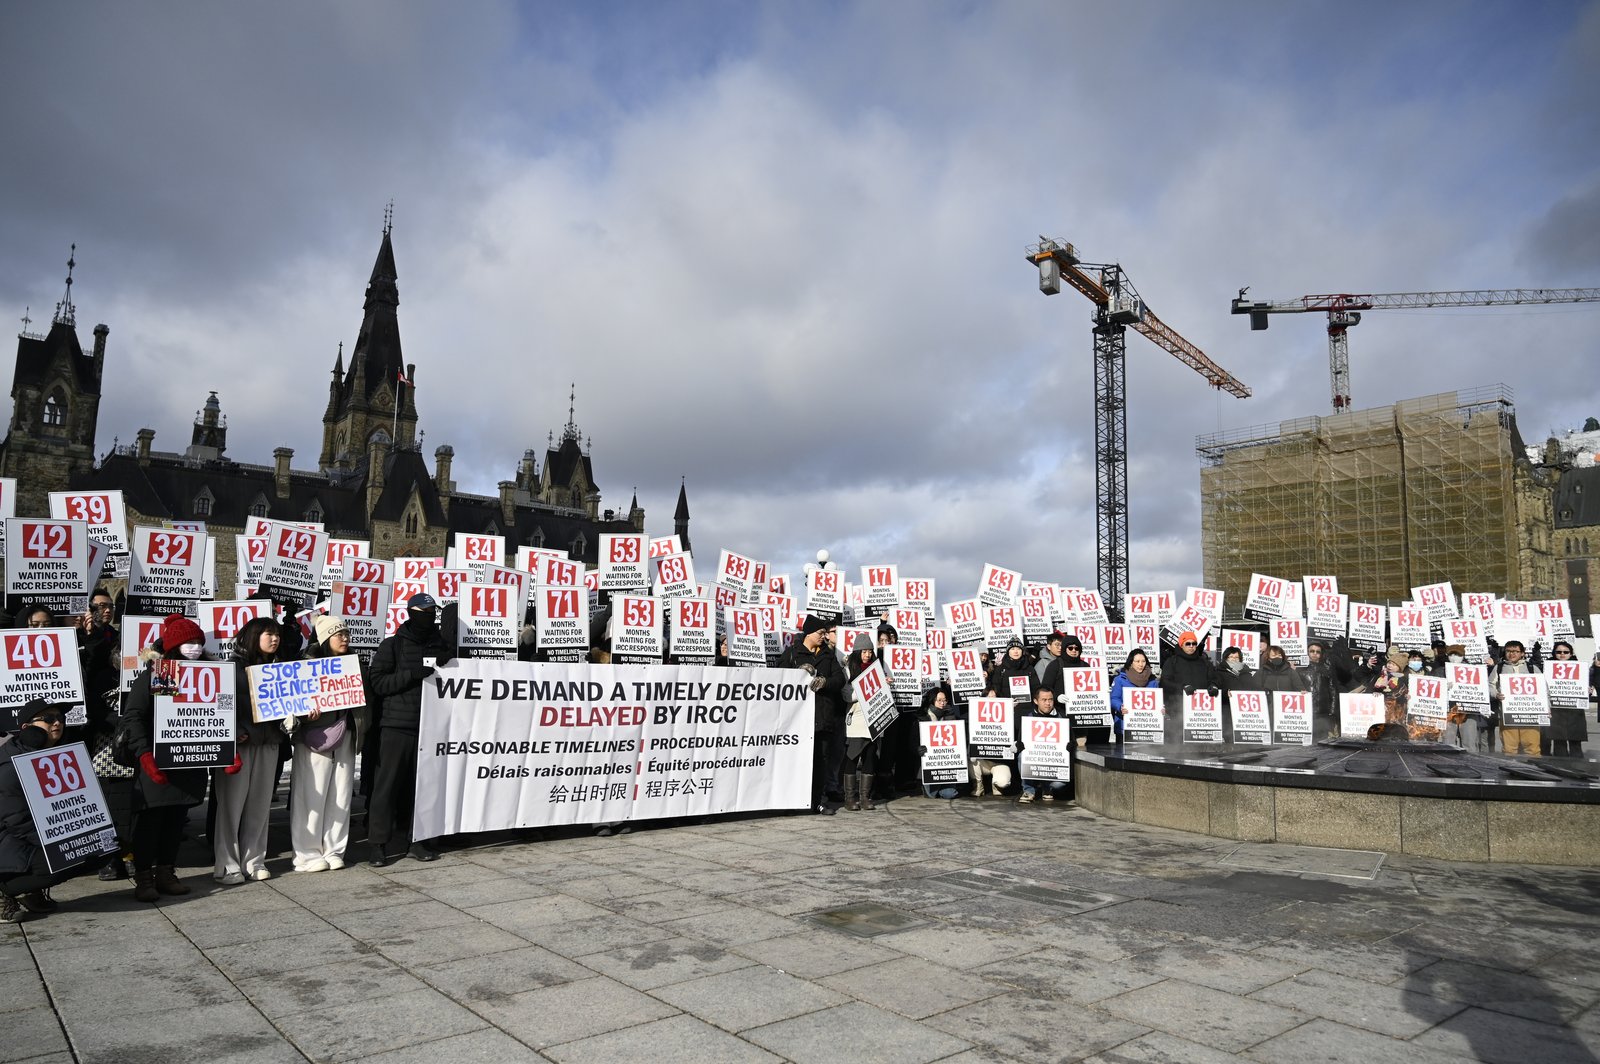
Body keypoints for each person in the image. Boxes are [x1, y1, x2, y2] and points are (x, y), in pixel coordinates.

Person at [122, 614, 211, 902]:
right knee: (151, 823)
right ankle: (144, 877)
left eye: (198, 642)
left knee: (175, 820)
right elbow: (134, 716)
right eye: (189, 642)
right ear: (174, 646)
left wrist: (227, 751)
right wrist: (145, 754)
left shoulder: (208, 674)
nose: (195, 647)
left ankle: (166, 872)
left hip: (189, 761)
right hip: (159, 761)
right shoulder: (163, 674)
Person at [367, 593, 452, 863]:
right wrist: (410, 675)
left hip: (431, 727)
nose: (429, 616)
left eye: (432, 611)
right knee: (387, 787)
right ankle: (378, 844)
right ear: (411, 613)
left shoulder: (441, 645)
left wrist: (451, 662)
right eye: (424, 611)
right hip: (397, 727)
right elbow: (378, 683)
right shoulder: (392, 645)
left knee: (424, 788)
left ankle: (418, 840)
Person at [288, 616, 370, 870]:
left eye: (346, 634)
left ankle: (334, 850)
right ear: (325, 638)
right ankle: (307, 854)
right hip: (314, 737)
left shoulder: (354, 663)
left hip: (346, 735)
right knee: (310, 796)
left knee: (341, 795)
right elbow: (292, 703)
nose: (345, 639)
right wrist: (305, 715)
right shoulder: (305, 664)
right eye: (338, 634)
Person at [212, 616, 282, 885]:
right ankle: (227, 865)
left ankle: (254, 861)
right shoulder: (231, 667)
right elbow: (219, 703)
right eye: (269, 634)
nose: (275, 639)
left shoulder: (279, 667)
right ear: (254, 637)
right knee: (230, 807)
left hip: (269, 742)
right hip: (239, 746)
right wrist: (233, 730)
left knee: (260, 806)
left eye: (277, 634)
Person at [0, 702, 76, 922]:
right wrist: (61, 840)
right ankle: (5, 890)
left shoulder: (61, 756)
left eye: (60, 718)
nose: (57, 722)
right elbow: (17, 821)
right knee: (67, 855)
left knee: (99, 848)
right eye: (49, 718)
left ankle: (30, 892)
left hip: (28, 837)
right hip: (8, 841)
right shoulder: (10, 765)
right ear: (26, 727)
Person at [779, 614, 845, 815]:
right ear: (808, 633)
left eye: (825, 633)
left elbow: (839, 680)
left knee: (820, 761)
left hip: (822, 717)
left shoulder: (828, 655)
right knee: (795, 760)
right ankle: (791, 802)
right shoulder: (792, 653)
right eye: (820, 633)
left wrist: (825, 682)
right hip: (797, 719)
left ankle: (817, 801)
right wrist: (796, 675)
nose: (823, 636)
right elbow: (778, 676)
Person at [841, 633, 879, 811]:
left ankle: (865, 797)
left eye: (870, 651)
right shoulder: (848, 669)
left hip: (874, 718)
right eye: (864, 651)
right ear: (857, 652)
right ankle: (850, 799)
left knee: (870, 758)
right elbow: (847, 696)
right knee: (852, 757)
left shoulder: (877, 669)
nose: (867, 655)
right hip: (856, 719)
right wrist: (867, 688)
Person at [1160, 632, 1218, 743]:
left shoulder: (1204, 662)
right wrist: (1182, 687)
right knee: (1179, 742)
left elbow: (1214, 679)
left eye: (1194, 643)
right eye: (1188, 643)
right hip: (1178, 710)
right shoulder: (1172, 661)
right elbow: (1164, 682)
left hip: (1201, 712)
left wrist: (1213, 686)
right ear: (1181, 645)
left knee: (1200, 744)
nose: (1191, 646)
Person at [1018, 688, 1069, 803]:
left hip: (1054, 761)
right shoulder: (1028, 718)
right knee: (1022, 756)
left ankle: (1047, 788)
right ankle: (1028, 790)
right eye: (1044, 700)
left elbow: (1071, 742)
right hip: (1034, 759)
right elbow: (1021, 743)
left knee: (1059, 784)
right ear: (1036, 701)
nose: (1048, 703)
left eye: (1050, 700)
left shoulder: (1062, 717)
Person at [1491, 639, 1538, 756]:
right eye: (1508, 651)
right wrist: (1495, 694)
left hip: (1530, 714)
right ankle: (1510, 766)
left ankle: (1533, 766)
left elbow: (1543, 689)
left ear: (1522, 653)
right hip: (1508, 714)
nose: (1512, 654)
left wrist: (1547, 707)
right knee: (1509, 748)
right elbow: (1490, 685)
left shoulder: (1532, 668)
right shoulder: (1499, 667)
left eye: (1515, 651)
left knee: (1532, 748)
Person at [1544, 640, 1586, 758]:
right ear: (1554, 653)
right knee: (1559, 744)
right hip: (1556, 710)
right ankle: (1559, 767)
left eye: (1566, 652)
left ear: (1571, 654)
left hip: (1575, 711)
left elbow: (1592, 682)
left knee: (1575, 744)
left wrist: (1588, 688)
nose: (1562, 654)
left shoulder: (1581, 667)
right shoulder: (1547, 668)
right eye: (1559, 652)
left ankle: (1578, 767)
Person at [918, 689, 960, 799]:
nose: (942, 703)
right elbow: (913, 742)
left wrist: (951, 718)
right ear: (932, 701)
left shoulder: (951, 716)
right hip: (928, 763)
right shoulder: (922, 718)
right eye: (939, 700)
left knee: (949, 794)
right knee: (931, 795)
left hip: (947, 762)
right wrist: (918, 748)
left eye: (944, 700)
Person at [1109, 649, 1157, 744]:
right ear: (1131, 663)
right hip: (1124, 727)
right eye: (1137, 661)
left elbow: (1157, 701)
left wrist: (1161, 709)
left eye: (1143, 661)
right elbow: (1113, 699)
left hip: (1147, 728)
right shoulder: (1120, 679)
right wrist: (1120, 707)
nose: (1141, 664)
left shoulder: (1152, 681)